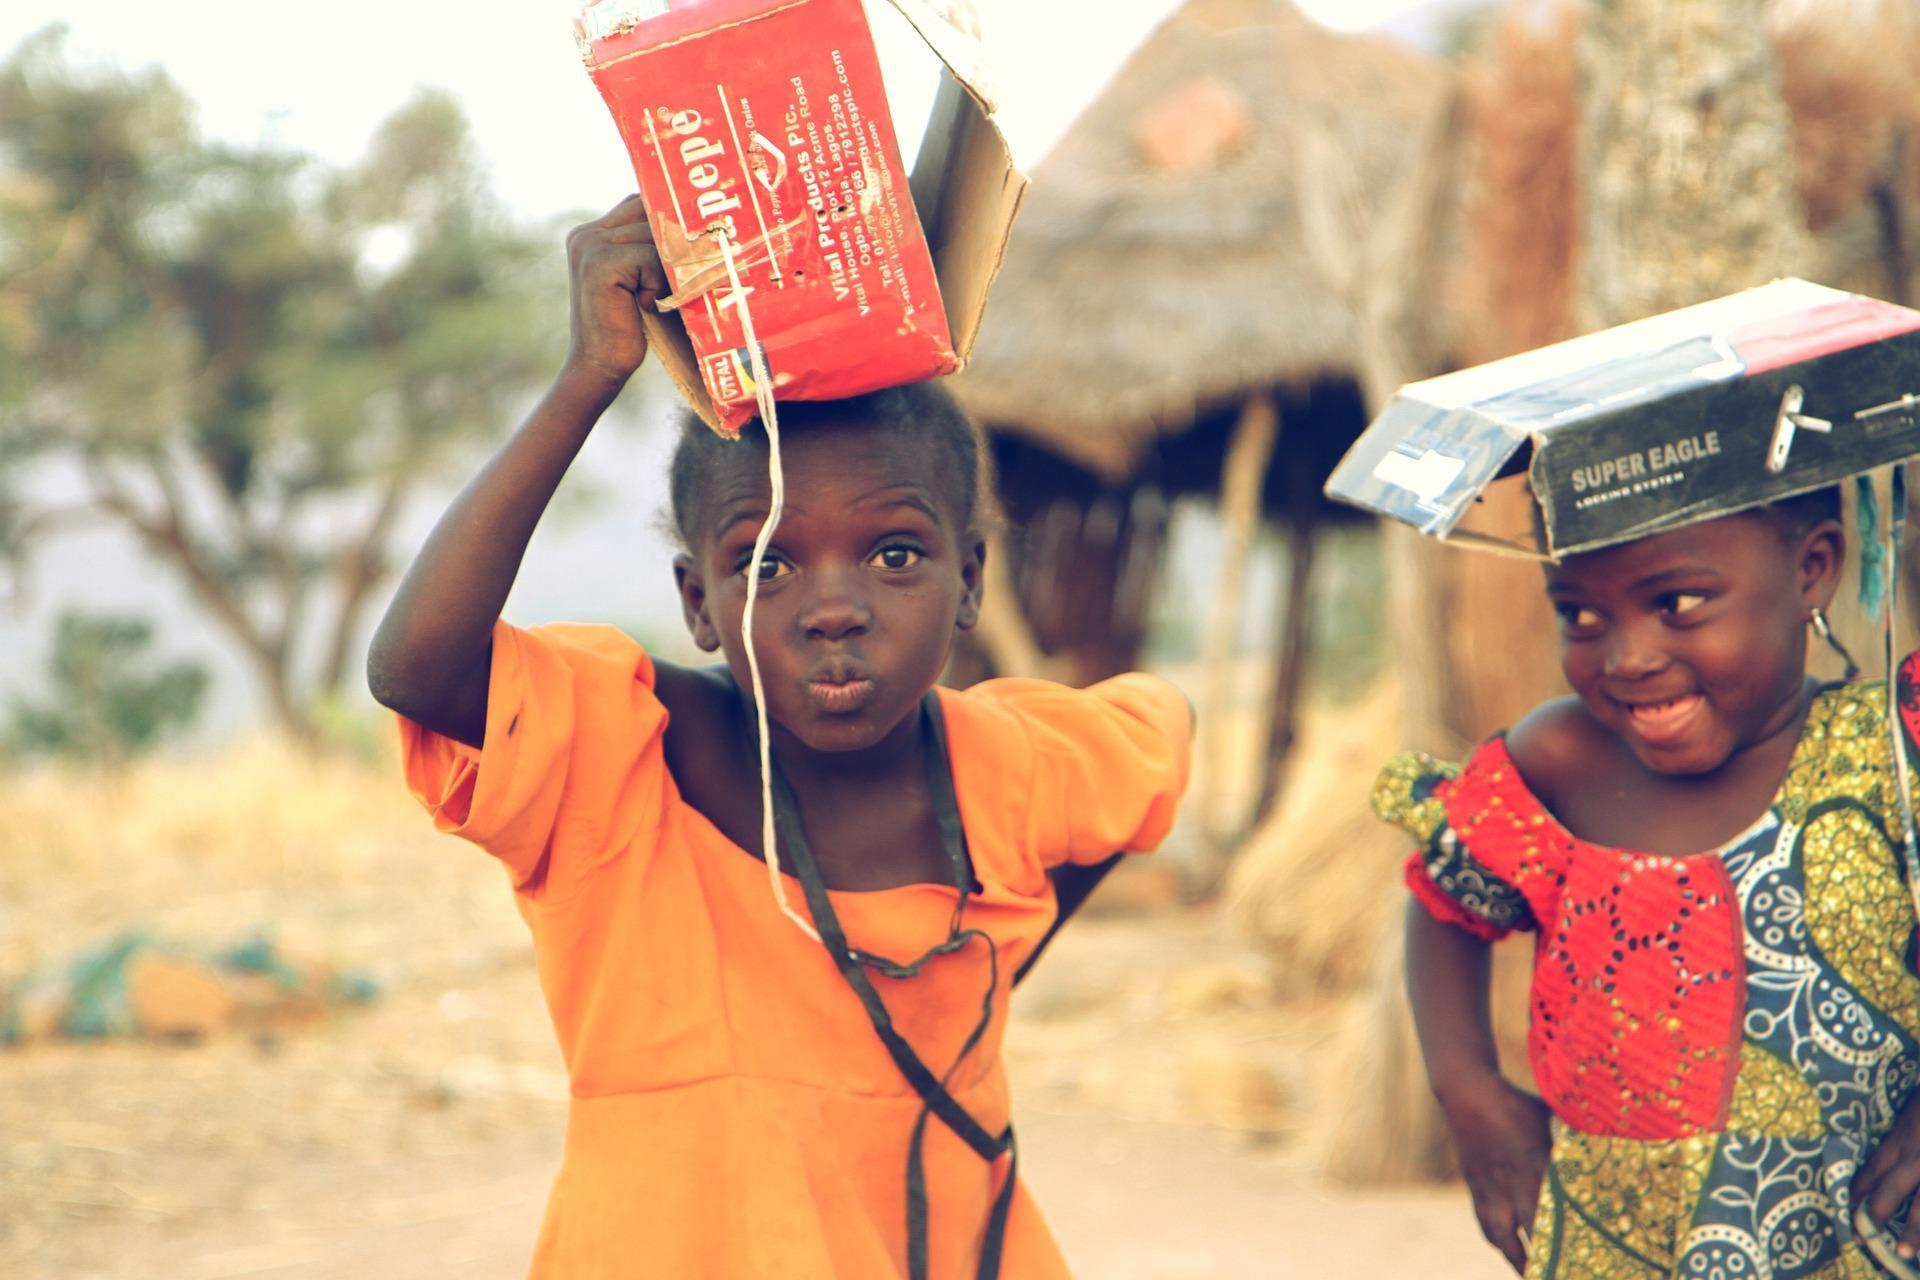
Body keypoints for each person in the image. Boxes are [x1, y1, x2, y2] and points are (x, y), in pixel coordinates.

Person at [365, 193, 1192, 1279]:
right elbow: (416, 670)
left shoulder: (1011, 765)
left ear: (969, 584)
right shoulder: (628, 762)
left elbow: (1156, 743)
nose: (835, 605)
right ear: (700, 600)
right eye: (767, 561)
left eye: (895, 554)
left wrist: (981, 972)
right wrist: (586, 378)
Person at [1374, 485, 1920, 1277]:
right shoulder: (1560, 765)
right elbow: (1446, 900)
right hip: (1613, 1247)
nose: (1628, 657)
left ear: (1812, 570)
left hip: (1866, 1241)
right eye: (1582, 616)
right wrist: (1468, 1091)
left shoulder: (1892, 763)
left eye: (1680, 601)